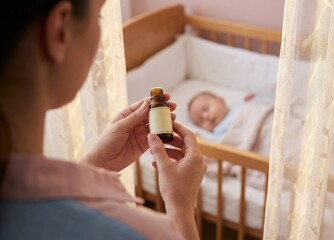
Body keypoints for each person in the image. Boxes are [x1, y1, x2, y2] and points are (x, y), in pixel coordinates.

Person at [0, 1, 206, 239]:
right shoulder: (134, 232)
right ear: (60, 31)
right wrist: (181, 212)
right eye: (98, 17)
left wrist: (96, 165)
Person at [187, 91, 255, 141]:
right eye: (201, 121)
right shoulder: (218, 131)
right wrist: (203, 139)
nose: (206, 116)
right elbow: (220, 144)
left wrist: (248, 100)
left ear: (221, 100)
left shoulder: (236, 106)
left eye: (206, 108)